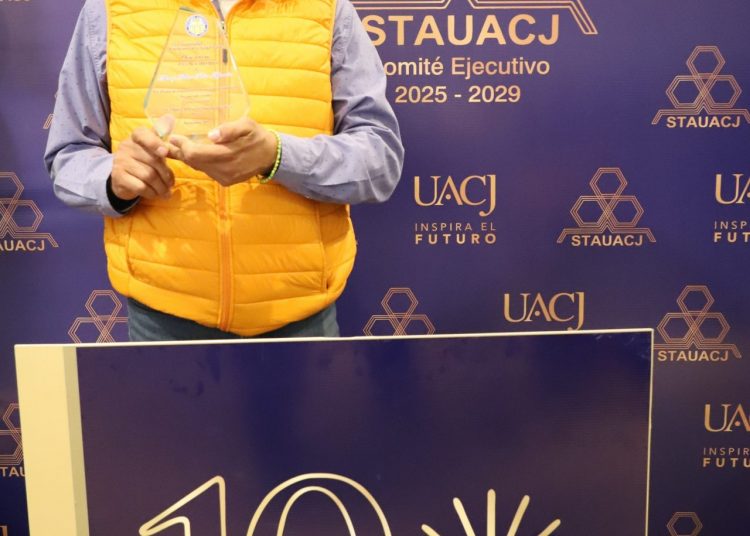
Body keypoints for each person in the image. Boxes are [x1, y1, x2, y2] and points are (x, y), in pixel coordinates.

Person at [45, 0, 404, 341]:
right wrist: (113, 179)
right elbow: (68, 155)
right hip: (161, 316)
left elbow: (380, 158)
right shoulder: (110, 9)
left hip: (301, 318)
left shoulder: (326, 8)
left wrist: (278, 156)